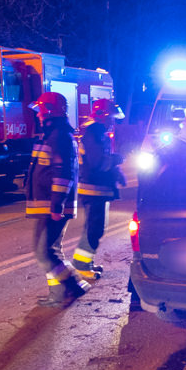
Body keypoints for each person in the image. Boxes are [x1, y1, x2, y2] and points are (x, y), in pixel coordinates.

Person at [25, 92, 90, 307]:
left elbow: (63, 173)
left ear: (48, 112)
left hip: (51, 205)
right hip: (48, 204)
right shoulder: (54, 134)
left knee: (45, 252)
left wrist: (56, 205)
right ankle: (58, 294)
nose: (39, 115)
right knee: (49, 251)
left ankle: (73, 286)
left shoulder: (59, 136)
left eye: (41, 111)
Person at [72, 99, 125, 279]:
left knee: (94, 228)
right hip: (94, 189)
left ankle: (86, 262)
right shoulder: (94, 132)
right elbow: (98, 163)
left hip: (96, 189)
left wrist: (116, 173)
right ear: (104, 116)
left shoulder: (96, 131)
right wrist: (117, 160)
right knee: (94, 229)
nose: (113, 121)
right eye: (111, 117)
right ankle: (81, 265)